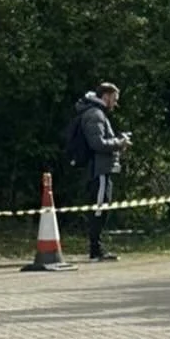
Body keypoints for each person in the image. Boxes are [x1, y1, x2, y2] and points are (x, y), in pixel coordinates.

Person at [70, 83, 131, 262]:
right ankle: (95, 250)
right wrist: (119, 143)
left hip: (102, 169)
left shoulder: (97, 114)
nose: (115, 104)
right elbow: (97, 143)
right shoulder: (95, 115)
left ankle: (97, 248)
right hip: (99, 170)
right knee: (99, 209)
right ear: (106, 96)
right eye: (114, 99)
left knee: (102, 208)